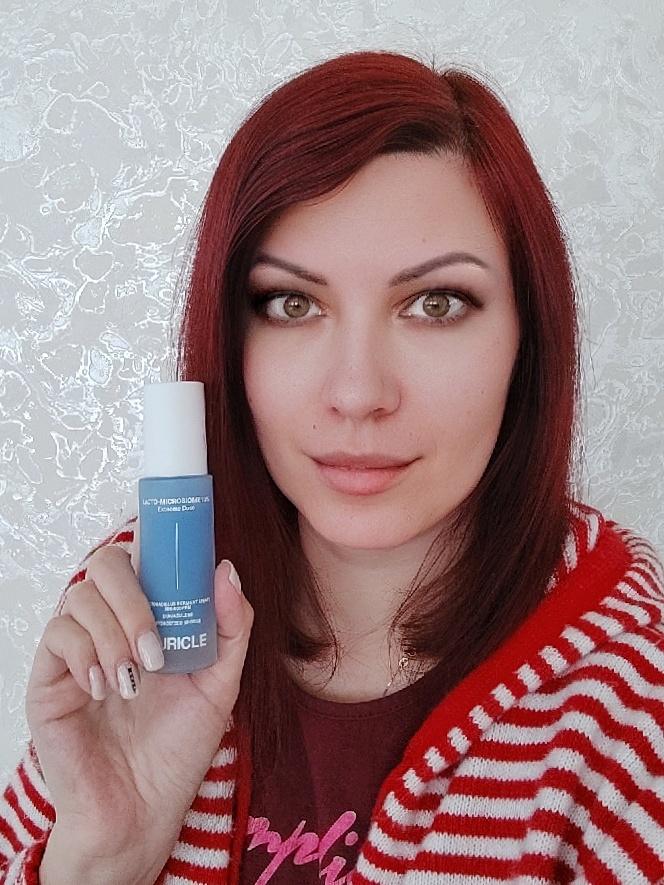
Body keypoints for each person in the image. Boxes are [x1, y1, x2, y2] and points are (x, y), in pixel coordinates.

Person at [1, 48, 663, 885]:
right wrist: (103, 854)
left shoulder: (634, 708)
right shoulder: (144, 600)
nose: (358, 393)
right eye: (292, 304)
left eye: (435, 304)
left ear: (526, 340)